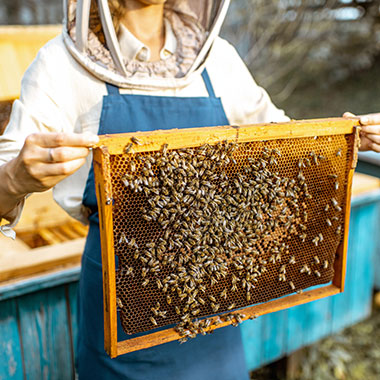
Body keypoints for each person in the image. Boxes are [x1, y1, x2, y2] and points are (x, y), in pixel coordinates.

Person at [0, 1, 379, 379]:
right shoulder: (61, 64)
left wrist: (342, 139)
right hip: (123, 305)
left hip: (216, 303)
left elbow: (285, 145)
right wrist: (14, 179)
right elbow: (5, 175)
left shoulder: (218, 59)